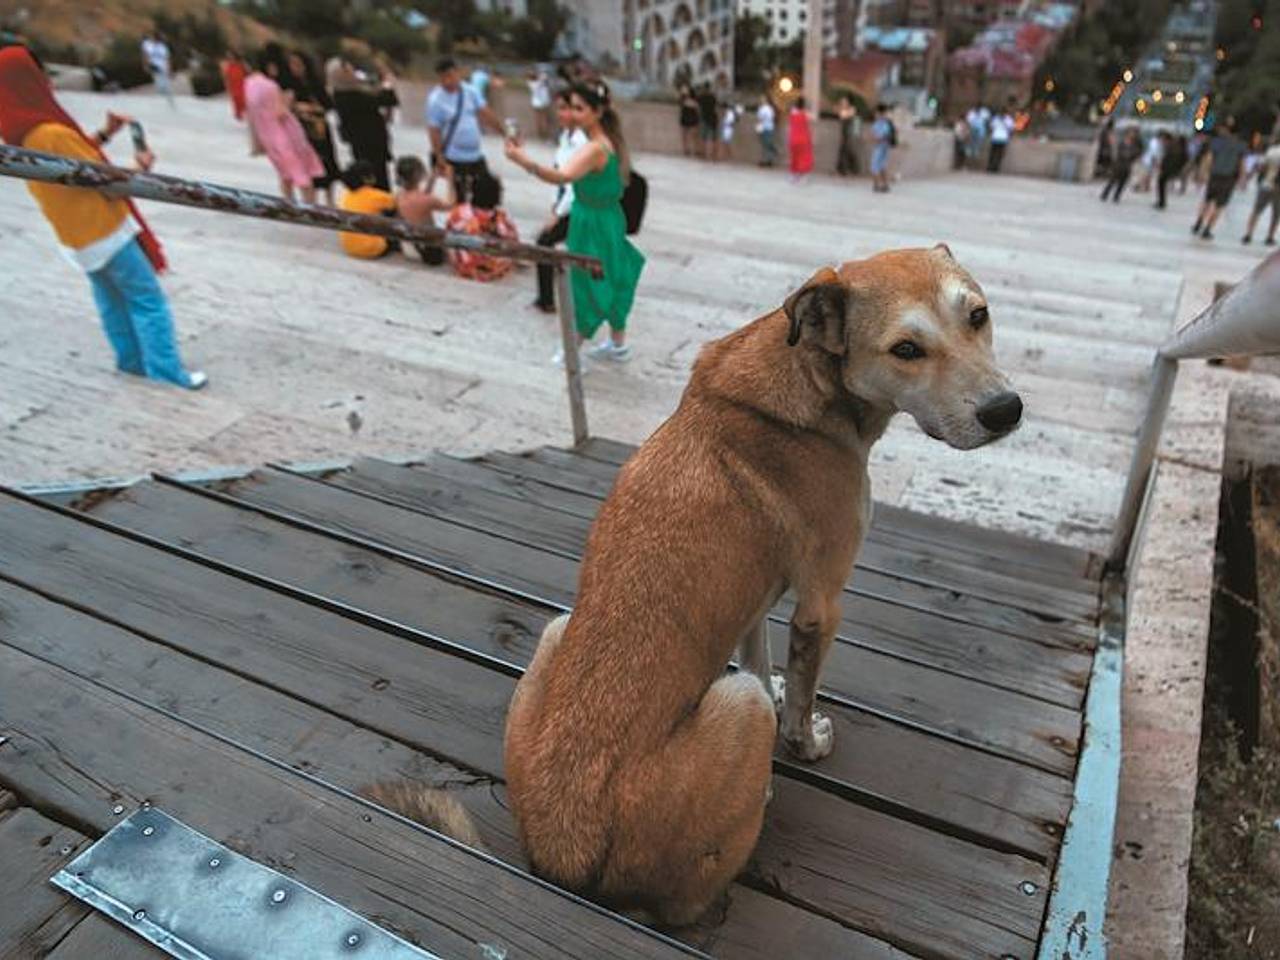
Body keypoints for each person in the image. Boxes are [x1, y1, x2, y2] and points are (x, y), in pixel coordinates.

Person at [0, 46, 205, 388]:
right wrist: (139, 168)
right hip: (106, 230)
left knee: (112, 303)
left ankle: (132, 363)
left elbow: (73, 168)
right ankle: (168, 374)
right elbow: (107, 184)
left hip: (78, 238)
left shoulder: (22, 136)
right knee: (147, 301)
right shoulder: (52, 132)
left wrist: (105, 134)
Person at [505, 80, 646, 364]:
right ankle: (617, 345)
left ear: (596, 112)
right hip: (606, 218)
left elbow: (562, 177)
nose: (573, 114)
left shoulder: (594, 148)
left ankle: (572, 350)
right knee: (613, 276)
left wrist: (522, 160)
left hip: (591, 221)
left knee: (585, 285)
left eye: (580, 108)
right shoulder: (610, 140)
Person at [533, 89, 589, 313]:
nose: (562, 113)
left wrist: (558, 213)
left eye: (566, 108)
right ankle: (548, 299)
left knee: (545, 243)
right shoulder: (565, 138)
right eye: (559, 108)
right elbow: (560, 177)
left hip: (579, 206)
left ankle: (548, 300)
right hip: (567, 205)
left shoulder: (582, 142)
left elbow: (575, 184)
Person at [244, 50, 322, 203]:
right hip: (286, 134)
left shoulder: (249, 83)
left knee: (285, 174)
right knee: (302, 175)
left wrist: (255, 142)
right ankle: (311, 207)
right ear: (271, 65)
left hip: (266, 136)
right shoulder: (271, 86)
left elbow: (250, 113)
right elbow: (280, 112)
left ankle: (289, 204)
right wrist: (292, 104)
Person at [426, 57, 504, 205]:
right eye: (443, 78)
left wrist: (503, 132)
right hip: (454, 156)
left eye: (450, 76)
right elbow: (434, 130)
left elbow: (485, 113)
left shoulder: (470, 91)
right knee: (459, 200)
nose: (447, 81)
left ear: (458, 73)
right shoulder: (436, 99)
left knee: (486, 192)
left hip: (475, 155)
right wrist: (438, 155)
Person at [328, 58, 399, 191]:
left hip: (361, 142)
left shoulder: (341, 93)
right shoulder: (351, 96)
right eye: (350, 70)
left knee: (369, 174)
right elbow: (387, 99)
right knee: (377, 177)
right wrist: (388, 84)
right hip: (370, 142)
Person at [286, 50, 340, 205]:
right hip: (302, 130)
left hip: (320, 127)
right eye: (292, 64)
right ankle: (311, 199)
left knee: (328, 162)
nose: (295, 67)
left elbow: (328, 104)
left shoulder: (315, 83)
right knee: (308, 164)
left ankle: (330, 199)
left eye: (298, 64)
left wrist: (311, 107)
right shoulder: (290, 85)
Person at [394, 155, 455, 265]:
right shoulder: (427, 200)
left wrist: (433, 179)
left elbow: (421, 199)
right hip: (427, 248)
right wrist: (451, 180)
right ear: (418, 175)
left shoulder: (400, 195)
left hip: (409, 246)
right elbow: (451, 205)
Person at [1192, 117, 1247, 240]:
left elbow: (1209, 159)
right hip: (1228, 178)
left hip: (1215, 175)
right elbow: (1242, 164)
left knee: (1207, 200)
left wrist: (1203, 173)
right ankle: (1208, 229)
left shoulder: (1216, 142)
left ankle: (1198, 222)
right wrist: (1243, 179)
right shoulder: (1241, 145)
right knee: (1219, 205)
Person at [338, 161, 398, 259]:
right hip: (373, 249)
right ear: (366, 178)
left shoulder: (348, 194)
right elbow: (396, 204)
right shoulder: (377, 195)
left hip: (349, 247)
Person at [1241, 136, 1280, 245]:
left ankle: (1248, 234)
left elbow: (1260, 166)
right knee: (1276, 214)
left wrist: (1248, 177)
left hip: (1266, 185)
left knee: (1256, 210)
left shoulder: (1271, 151)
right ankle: (1270, 237)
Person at [1100, 127, 1141, 202]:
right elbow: (1118, 152)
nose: (1132, 135)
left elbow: (1137, 153)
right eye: (1131, 133)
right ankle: (1105, 194)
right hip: (1119, 165)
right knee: (1112, 180)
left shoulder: (1135, 144)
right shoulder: (1121, 142)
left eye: (1134, 133)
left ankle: (1116, 196)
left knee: (1122, 182)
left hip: (1127, 166)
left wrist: (1131, 155)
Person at [140, 31, 174, 107]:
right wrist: (146, 65)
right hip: (156, 66)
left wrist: (169, 69)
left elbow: (167, 59)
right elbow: (146, 55)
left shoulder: (163, 47)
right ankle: (163, 98)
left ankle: (168, 99)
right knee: (159, 83)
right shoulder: (151, 46)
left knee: (165, 84)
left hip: (163, 67)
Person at [1154, 131, 1185, 210]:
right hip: (1169, 169)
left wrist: (1162, 169)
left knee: (1161, 184)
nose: (1161, 141)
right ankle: (1161, 201)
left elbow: (1168, 160)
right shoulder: (1173, 146)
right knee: (1161, 184)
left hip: (1167, 170)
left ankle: (1162, 202)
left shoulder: (1171, 147)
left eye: (1162, 139)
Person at [788, 97, 814, 184]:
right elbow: (811, 118)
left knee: (794, 157)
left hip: (793, 138)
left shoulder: (792, 113)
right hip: (803, 138)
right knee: (804, 157)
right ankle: (803, 177)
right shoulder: (805, 114)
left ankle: (794, 176)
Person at [870, 103, 894, 192]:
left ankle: (876, 185)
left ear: (879, 113)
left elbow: (882, 135)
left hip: (880, 147)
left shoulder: (882, 123)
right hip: (884, 147)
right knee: (882, 166)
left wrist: (877, 138)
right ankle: (884, 185)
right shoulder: (884, 123)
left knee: (874, 166)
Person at [220, 50, 247, 121]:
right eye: (228, 55)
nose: (229, 57)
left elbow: (246, 72)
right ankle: (239, 115)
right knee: (235, 99)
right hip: (233, 84)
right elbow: (225, 76)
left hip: (241, 83)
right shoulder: (227, 65)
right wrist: (227, 85)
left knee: (242, 99)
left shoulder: (241, 64)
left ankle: (244, 113)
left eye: (231, 55)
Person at [836, 95, 859, 176]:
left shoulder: (852, 109)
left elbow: (844, 116)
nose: (843, 103)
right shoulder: (844, 110)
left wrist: (841, 109)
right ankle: (842, 170)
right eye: (842, 102)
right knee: (842, 151)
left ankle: (853, 169)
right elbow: (841, 116)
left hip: (850, 134)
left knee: (849, 151)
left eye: (844, 101)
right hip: (844, 133)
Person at [987, 104, 1014, 173]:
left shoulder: (1008, 119)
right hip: (996, 137)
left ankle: (995, 167)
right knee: (993, 153)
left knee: (998, 154)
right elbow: (991, 127)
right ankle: (990, 167)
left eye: (1003, 112)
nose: (1002, 114)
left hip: (1002, 138)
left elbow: (1010, 129)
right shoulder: (996, 118)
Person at [529, 67, 552, 140]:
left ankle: (544, 133)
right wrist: (542, 79)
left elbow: (546, 85)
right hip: (538, 102)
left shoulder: (540, 82)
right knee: (541, 118)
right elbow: (538, 86)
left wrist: (543, 79)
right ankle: (542, 133)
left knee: (544, 118)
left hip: (542, 101)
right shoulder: (532, 83)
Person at [696, 82, 717, 160]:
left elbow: (698, 107)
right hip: (713, 118)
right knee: (713, 138)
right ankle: (713, 155)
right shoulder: (713, 97)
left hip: (704, 118)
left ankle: (703, 153)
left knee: (703, 137)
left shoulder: (701, 97)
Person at [678, 83, 700, 156]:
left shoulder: (693, 100)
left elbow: (696, 108)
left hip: (691, 118)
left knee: (693, 136)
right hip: (686, 118)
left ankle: (694, 149)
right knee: (685, 135)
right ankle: (686, 150)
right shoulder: (683, 99)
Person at [965, 103, 989, 167]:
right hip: (972, 130)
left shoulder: (984, 112)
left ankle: (974, 165)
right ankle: (967, 164)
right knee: (969, 148)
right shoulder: (972, 113)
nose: (977, 109)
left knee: (977, 148)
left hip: (980, 132)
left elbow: (987, 122)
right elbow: (968, 122)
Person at [755, 95, 777, 167]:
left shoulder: (765, 109)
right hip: (767, 127)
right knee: (766, 144)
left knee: (766, 144)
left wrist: (758, 126)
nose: (761, 100)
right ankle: (768, 159)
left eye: (763, 99)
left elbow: (760, 118)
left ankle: (767, 159)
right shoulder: (768, 109)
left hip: (766, 128)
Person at [717, 96, 737, 162]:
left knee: (727, 143)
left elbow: (731, 122)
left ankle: (729, 156)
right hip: (725, 129)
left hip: (728, 130)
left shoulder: (730, 113)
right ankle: (723, 156)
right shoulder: (725, 113)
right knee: (724, 143)